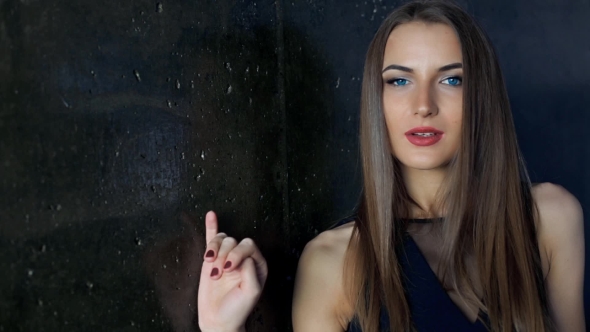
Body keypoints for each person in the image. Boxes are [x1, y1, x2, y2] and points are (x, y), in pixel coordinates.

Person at [196, 0, 585, 331]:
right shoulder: (334, 261)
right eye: (399, 81)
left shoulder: (548, 219)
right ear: (375, 100)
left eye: (452, 80)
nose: (423, 104)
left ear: (482, 96)